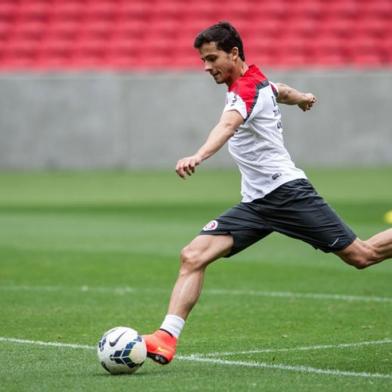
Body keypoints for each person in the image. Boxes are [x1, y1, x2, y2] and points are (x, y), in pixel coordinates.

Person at [143, 21, 392, 365]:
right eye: (202, 60)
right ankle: (165, 338)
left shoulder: (244, 90)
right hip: (257, 203)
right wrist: (302, 98)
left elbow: (227, 126)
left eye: (212, 58)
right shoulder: (258, 82)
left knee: (362, 256)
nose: (206, 67)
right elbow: (281, 90)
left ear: (234, 54)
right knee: (193, 256)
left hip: (287, 194)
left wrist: (198, 155)